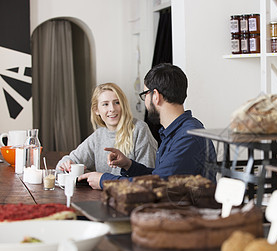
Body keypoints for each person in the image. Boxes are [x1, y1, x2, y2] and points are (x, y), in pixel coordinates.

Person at [78, 63, 216, 189]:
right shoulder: (177, 132)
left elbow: (157, 184)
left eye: (145, 95)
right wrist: (129, 165)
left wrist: (104, 180)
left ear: (155, 96)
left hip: (185, 214)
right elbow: (161, 176)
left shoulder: (188, 136)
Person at [56, 82, 157, 175]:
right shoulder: (98, 136)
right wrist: (66, 163)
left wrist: (101, 180)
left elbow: (147, 176)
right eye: (105, 104)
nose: (112, 109)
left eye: (117, 103)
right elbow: (66, 163)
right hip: (103, 194)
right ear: (96, 110)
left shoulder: (140, 129)